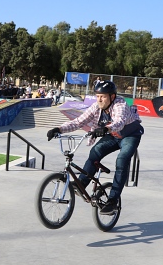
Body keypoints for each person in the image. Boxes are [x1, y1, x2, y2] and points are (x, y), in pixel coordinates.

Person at [46, 80, 144, 215]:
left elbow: (119, 122)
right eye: (97, 96)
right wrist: (59, 129)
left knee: (122, 160)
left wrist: (105, 128)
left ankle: (113, 201)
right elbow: (78, 122)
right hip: (112, 135)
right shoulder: (96, 107)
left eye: (103, 96)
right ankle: (81, 184)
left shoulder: (120, 104)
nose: (100, 100)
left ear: (112, 97)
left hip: (130, 135)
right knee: (95, 152)